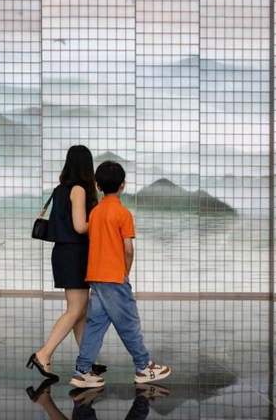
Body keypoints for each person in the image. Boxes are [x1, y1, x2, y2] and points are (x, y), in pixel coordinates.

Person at [69, 160, 171, 388]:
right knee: (129, 322)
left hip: (95, 277)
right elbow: (127, 248)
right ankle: (144, 367)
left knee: (95, 324)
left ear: (98, 186)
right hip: (114, 278)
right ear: (123, 185)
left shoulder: (95, 213)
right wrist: (125, 270)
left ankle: (83, 371)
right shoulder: (123, 213)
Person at [27, 145, 105, 380]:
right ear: (87, 166)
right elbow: (81, 226)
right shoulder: (79, 189)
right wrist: (102, 221)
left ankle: (88, 360)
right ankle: (43, 354)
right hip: (75, 254)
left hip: (64, 252)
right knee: (75, 310)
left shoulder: (60, 189)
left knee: (79, 312)